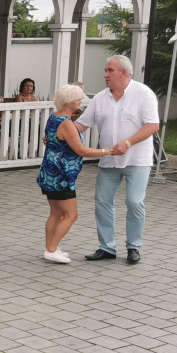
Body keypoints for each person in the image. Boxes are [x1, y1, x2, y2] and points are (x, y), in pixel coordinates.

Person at [75, 55, 160, 264]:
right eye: (105, 71)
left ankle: (133, 247)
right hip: (108, 160)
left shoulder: (143, 94)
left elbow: (152, 125)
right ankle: (107, 248)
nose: (105, 75)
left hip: (137, 160)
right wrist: (57, 132)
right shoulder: (100, 98)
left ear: (123, 72)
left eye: (109, 70)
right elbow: (81, 124)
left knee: (134, 201)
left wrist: (128, 143)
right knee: (102, 201)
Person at [37, 84, 116, 264]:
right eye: (78, 99)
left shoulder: (54, 117)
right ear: (68, 102)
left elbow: (52, 140)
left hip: (49, 173)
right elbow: (81, 150)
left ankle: (51, 247)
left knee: (56, 213)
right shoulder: (66, 123)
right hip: (62, 176)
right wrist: (108, 151)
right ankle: (51, 250)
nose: (80, 102)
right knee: (71, 215)